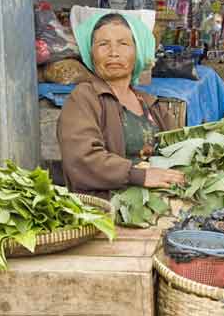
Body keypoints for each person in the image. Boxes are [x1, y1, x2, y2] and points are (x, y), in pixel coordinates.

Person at [57, 13, 185, 198]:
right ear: (91, 53)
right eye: (103, 44)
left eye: (123, 44)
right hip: (106, 210)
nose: (113, 52)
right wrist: (139, 175)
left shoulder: (151, 104)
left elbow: (180, 148)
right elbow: (81, 159)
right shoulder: (84, 98)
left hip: (158, 202)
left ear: (138, 52)